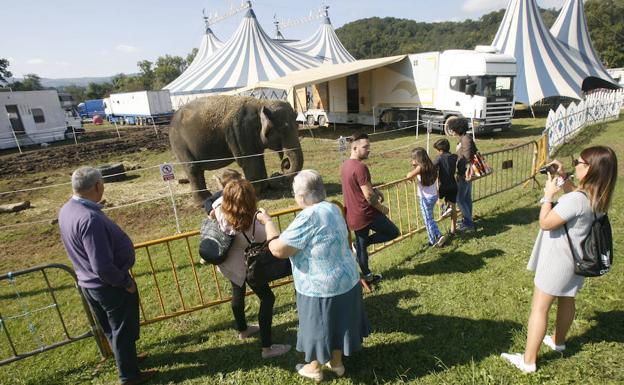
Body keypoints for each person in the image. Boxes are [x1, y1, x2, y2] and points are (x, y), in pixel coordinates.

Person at [501, 146, 618, 373]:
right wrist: (563, 178)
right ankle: (558, 340)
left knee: (539, 308)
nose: (575, 165)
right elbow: (576, 196)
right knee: (567, 299)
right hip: (577, 260)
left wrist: (547, 195)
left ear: (590, 169)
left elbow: (546, 222)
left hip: (558, 261)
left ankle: (528, 361)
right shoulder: (598, 195)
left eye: (578, 163)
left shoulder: (576, 199)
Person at [258, 169, 370, 381]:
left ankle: (314, 368)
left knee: (318, 327)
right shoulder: (333, 208)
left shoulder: (308, 216)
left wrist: (268, 223)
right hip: (347, 279)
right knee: (338, 323)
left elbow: (279, 250)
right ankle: (336, 363)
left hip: (320, 287)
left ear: (301, 196)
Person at [58, 167, 157, 385]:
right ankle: (129, 376)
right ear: (97, 186)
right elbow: (102, 266)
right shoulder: (89, 218)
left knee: (112, 329)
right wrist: (125, 282)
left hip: (89, 284)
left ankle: (126, 359)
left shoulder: (67, 209)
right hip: (108, 286)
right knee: (122, 329)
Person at [212, 179, 291, 359]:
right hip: (246, 267)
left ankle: (243, 330)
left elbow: (212, 203)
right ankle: (267, 348)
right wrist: (268, 220)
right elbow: (275, 242)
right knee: (267, 298)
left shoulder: (219, 210)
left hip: (228, 263)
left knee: (237, 292)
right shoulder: (255, 226)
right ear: (250, 199)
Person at [340, 133, 400, 285]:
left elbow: (360, 187)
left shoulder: (345, 165)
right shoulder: (360, 167)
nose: (369, 150)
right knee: (393, 232)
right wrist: (382, 208)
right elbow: (368, 196)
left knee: (361, 247)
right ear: (354, 147)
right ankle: (364, 244)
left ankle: (367, 276)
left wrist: (375, 190)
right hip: (367, 214)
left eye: (369, 147)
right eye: (365, 147)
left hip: (353, 214)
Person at [406, 147, 447, 247]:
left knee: (428, 219)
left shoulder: (420, 168)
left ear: (417, 159)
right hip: (433, 196)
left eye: (413, 159)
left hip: (425, 198)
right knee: (428, 218)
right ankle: (432, 240)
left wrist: (412, 170)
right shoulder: (431, 165)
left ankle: (438, 236)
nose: (412, 161)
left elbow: (409, 176)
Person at [447, 117, 477, 232]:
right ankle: (467, 221)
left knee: (460, 199)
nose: (452, 132)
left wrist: (461, 173)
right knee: (467, 198)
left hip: (464, 174)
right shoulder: (465, 137)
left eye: (453, 129)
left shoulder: (465, 140)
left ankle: (469, 223)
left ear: (457, 129)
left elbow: (466, 158)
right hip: (466, 173)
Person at [433, 138, 459, 234]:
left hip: (443, 186)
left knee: (434, 198)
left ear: (440, 150)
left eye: (437, 150)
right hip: (453, 185)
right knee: (453, 207)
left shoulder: (439, 158)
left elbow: (432, 167)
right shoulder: (454, 156)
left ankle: (443, 206)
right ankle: (453, 230)